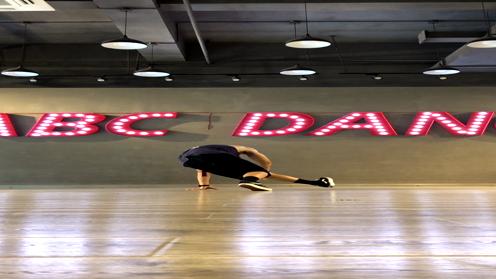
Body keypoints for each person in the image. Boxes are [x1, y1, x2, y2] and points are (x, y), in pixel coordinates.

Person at [178, 144, 335, 191]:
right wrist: (265, 166)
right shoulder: (228, 148)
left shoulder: (194, 152)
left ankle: (315, 182)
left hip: (187, 160)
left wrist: (203, 185)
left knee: (261, 174)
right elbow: (252, 151)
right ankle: (250, 180)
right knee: (260, 173)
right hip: (214, 157)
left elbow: (202, 170)